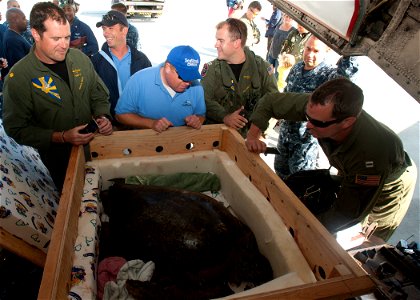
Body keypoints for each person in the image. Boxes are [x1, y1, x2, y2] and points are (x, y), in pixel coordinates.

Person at [245, 78, 417, 241]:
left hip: (391, 182)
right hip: (349, 167)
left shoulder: (371, 155)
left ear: (346, 122)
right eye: (307, 117)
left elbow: (347, 213)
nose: (308, 125)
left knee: (370, 239)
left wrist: (298, 229)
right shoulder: (319, 111)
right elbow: (270, 102)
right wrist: (253, 136)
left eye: (317, 123)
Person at [2, 2, 112, 191]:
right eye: (56, 38)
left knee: (107, 194)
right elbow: (16, 128)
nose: (64, 45)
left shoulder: (80, 59)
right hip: (59, 161)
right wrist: (61, 137)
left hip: (96, 149)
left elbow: (98, 93)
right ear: (36, 34)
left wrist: (103, 116)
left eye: (67, 37)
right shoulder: (19, 77)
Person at [274, 36, 358, 180]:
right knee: (279, 174)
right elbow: (287, 94)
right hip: (285, 136)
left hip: (304, 143)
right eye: (308, 49)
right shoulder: (297, 68)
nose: (310, 54)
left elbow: (345, 82)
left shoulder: (328, 75)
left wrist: (350, 52)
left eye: (316, 51)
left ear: (326, 52)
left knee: (299, 183)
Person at [200, 18, 278, 137]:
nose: (216, 45)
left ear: (236, 43)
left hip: (248, 139)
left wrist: (259, 133)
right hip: (218, 137)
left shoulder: (262, 68)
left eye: (221, 41)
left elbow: (273, 102)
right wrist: (225, 117)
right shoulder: (211, 69)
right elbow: (204, 101)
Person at [115, 45, 205, 132]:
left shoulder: (197, 87)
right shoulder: (139, 80)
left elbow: (201, 115)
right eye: (183, 77)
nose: (188, 83)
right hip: (143, 144)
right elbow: (120, 115)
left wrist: (196, 121)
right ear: (167, 67)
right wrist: (151, 123)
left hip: (182, 143)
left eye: (191, 77)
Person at [92, 10, 151, 125]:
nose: (105, 33)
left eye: (110, 28)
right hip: (110, 125)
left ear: (124, 30)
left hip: (139, 123)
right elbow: (93, 96)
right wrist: (102, 118)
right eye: (104, 28)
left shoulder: (142, 60)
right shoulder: (96, 61)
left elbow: (149, 93)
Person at [1, 8, 31, 78]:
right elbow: (21, 68)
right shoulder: (13, 40)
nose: (26, 21)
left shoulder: (12, 34)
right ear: (15, 20)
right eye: (23, 18)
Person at [267, 13, 295, 78]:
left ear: (293, 19)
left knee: (277, 74)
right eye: (286, 16)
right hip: (272, 53)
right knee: (268, 71)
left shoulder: (293, 30)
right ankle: (267, 83)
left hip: (280, 57)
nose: (287, 18)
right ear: (283, 16)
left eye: (290, 17)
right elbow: (274, 39)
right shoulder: (279, 25)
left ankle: (273, 87)